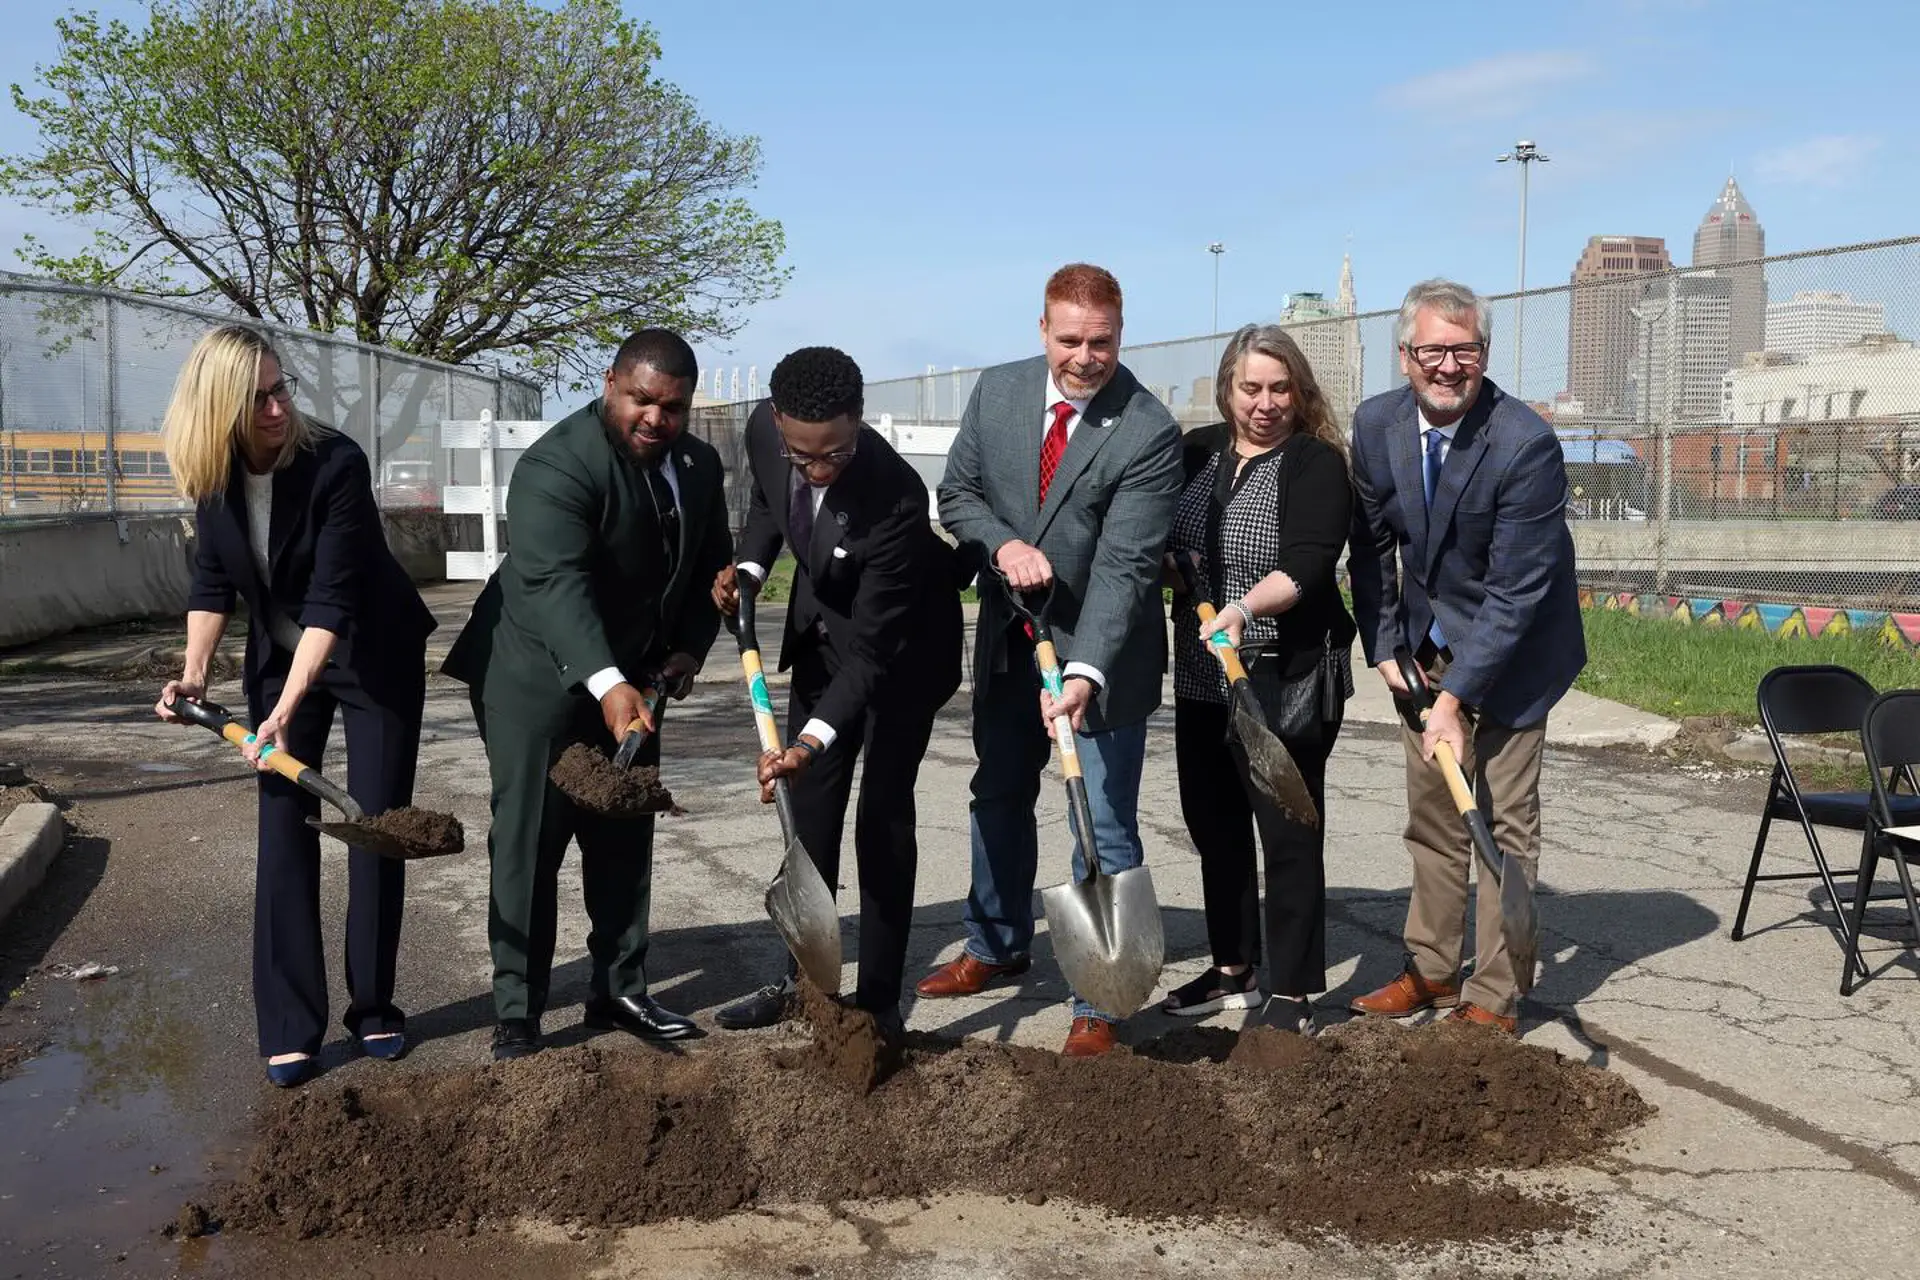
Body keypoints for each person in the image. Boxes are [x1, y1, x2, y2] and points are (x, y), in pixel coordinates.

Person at [151, 325, 436, 1088]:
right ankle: (289, 1025)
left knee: (373, 823)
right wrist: (195, 674)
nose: (278, 408)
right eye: (258, 398)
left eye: (283, 389)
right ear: (218, 408)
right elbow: (213, 580)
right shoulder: (211, 475)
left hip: (370, 653)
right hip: (282, 654)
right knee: (283, 828)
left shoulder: (336, 462)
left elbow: (333, 597)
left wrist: (289, 706)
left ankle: (374, 1007)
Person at [441, 328, 733, 1061]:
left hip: (637, 678)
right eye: (640, 399)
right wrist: (607, 683)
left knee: (625, 830)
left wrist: (688, 650)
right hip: (533, 673)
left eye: (672, 406)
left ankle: (619, 987)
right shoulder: (556, 466)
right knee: (531, 838)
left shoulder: (697, 464)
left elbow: (710, 567)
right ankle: (518, 1009)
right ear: (610, 383)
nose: (654, 419)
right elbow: (554, 586)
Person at [921, 263, 1182, 1058]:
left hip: (1104, 656)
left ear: (1120, 334)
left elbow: (1127, 567)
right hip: (1011, 638)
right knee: (997, 791)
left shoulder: (1147, 429)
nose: (1084, 357)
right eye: (1069, 339)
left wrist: (1084, 670)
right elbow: (957, 493)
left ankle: (1099, 996)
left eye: (1100, 341)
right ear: (1042, 331)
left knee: (1098, 818)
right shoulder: (998, 392)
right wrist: (1004, 545)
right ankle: (995, 942)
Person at [1345, 279, 1585, 1035]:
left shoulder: (1524, 443)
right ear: (1406, 355)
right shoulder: (1376, 423)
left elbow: (1516, 594)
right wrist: (1386, 648)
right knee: (1435, 819)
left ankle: (1493, 997)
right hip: (1425, 650)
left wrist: (1454, 703)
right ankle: (1433, 970)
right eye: (1431, 351)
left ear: (1483, 353)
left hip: (1517, 653)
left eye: (1464, 350)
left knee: (1503, 825)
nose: (1447, 366)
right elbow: (1372, 547)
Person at [709, 346, 967, 1034]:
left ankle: (880, 1003)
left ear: (858, 419)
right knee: (810, 818)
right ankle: (804, 982)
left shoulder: (896, 497)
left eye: (834, 454)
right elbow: (770, 501)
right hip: (824, 642)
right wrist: (752, 568)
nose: (818, 468)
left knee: (880, 817)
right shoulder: (768, 435)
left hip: (902, 657)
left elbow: (875, 653)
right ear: (777, 420)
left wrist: (809, 741)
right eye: (804, 455)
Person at [1160, 325, 1356, 1034]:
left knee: (1289, 829)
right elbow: (1162, 538)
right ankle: (1234, 968)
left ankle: (1294, 991)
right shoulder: (1197, 452)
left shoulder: (1316, 463)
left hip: (1286, 672)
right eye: (1251, 388)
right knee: (1214, 825)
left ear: (1299, 392)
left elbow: (1308, 562)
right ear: (1227, 388)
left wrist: (1243, 608)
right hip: (1202, 672)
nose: (1265, 403)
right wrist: (1169, 569)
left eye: (1280, 388)